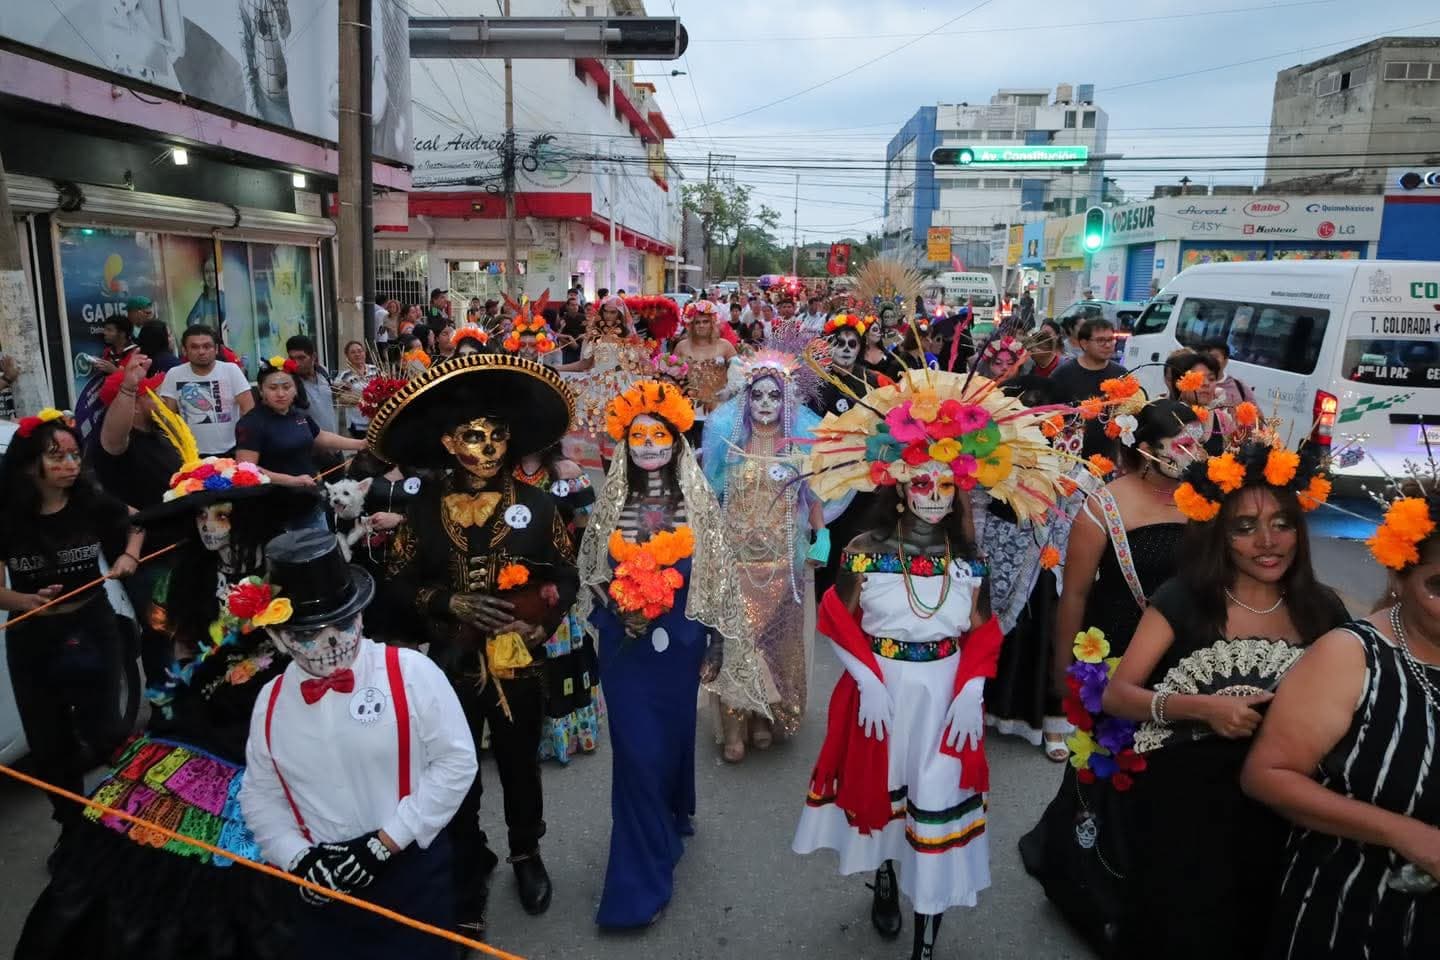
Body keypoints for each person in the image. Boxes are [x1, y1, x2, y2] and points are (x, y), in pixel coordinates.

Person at [794, 367, 1070, 960]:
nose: (935, 496)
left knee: (938, 800)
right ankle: (887, 876)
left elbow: (984, 634)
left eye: (946, 485)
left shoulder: (969, 561)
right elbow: (836, 620)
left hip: (947, 697)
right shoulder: (863, 552)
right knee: (890, 793)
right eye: (922, 484)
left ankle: (926, 934)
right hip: (883, 694)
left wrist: (972, 690)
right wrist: (866, 677)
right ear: (899, 487)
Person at [14, 493, 294, 960]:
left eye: (221, 516)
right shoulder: (191, 574)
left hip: (262, 725)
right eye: (201, 516)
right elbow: (184, 654)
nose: (208, 527)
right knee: (130, 830)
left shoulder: (283, 574)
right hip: (194, 719)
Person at [1101, 438, 1346, 960]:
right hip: (1186, 801)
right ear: (1219, 534)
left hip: (1283, 810)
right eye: (1245, 527)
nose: (1268, 541)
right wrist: (1205, 708)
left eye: (1282, 524)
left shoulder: (1323, 611)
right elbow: (1118, 695)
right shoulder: (1185, 600)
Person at [375, 353, 580, 932]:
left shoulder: (538, 505)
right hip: (448, 663)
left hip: (519, 664)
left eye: (496, 436)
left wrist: (543, 622)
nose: (487, 447)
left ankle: (526, 852)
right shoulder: (423, 510)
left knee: (520, 764)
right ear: (448, 442)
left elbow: (565, 577)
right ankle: (466, 860)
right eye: (473, 435)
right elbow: (396, 583)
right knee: (453, 767)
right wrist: (448, 603)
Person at [578, 379, 766, 927]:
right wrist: (618, 610)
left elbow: (721, 579)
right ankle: (638, 885)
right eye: (639, 436)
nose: (650, 445)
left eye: (660, 434)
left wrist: (717, 641)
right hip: (625, 649)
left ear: (678, 438)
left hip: (679, 646)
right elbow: (590, 573)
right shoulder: (612, 498)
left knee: (673, 738)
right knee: (636, 757)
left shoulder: (697, 500)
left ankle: (676, 810)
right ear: (626, 442)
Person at [241, 530, 478, 958]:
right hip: (321, 888)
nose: (332, 641)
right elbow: (260, 794)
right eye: (309, 632)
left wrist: (384, 843)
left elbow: (456, 762)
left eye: (342, 623)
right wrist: (297, 859)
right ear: (278, 637)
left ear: (361, 617)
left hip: (410, 875)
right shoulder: (269, 702)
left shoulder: (411, 673)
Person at [1018, 399, 1200, 950]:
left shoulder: (1202, 502)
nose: (1193, 453)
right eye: (1182, 443)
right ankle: (1089, 876)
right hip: (1113, 651)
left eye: (1197, 441)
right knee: (1105, 768)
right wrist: (1066, 670)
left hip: (1181, 658)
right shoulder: (1105, 505)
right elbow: (1074, 593)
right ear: (1147, 447)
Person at [1242, 481, 1440, 958]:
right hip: (1355, 913)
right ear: (1400, 576)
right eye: (1439, 586)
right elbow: (1267, 775)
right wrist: (1405, 833)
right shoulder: (1351, 656)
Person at [0, 410, 143, 830]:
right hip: (32, 633)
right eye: (56, 456)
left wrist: (128, 555)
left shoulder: (91, 502)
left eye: (74, 456)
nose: (69, 465)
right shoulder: (7, 517)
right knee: (48, 743)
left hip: (93, 623)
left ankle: (121, 820)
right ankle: (72, 828)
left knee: (107, 734)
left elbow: (136, 522)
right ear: (30, 464)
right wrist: (24, 599)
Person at [702, 352, 823, 761]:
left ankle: (764, 718)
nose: (766, 403)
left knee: (773, 645)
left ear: (787, 402)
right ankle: (735, 724)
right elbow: (711, 499)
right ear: (746, 401)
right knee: (737, 643)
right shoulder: (728, 445)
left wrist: (821, 539)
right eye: (758, 396)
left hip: (782, 566)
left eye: (775, 396)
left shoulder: (797, 448)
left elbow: (813, 498)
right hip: (736, 563)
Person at [511, 443, 602, 764]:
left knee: (557, 661)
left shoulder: (569, 472)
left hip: (557, 584)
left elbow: (590, 528)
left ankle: (558, 736)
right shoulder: (499, 469)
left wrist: (569, 570)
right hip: (510, 584)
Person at [234, 360, 364, 495]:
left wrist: (361, 444)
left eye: (286, 387)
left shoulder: (299, 415)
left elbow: (320, 436)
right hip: (271, 502)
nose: (281, 394)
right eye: (273, 388)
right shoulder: (251, 423)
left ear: (295, 389)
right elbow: (246, 468)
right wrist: (291, 480)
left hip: (309, 498)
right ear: (261, 390)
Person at [159, 324, 255, 457]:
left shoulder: (231, 370)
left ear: (216, 349)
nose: (201, 351)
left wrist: (245, 447)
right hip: (190, 453)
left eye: (207, 346)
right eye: (194, 347)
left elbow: (249, 412)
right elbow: (168, 417)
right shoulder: (174, 374)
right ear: (184, 350)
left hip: (230, 450)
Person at [1047, 317, 1126, 458]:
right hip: (1070, 456)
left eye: (1111, 339)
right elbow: (1048, 416)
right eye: (1101, 340)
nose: (1108, 345)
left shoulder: (1121, 375)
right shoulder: (1063, 374)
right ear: (1084, 343)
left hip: (1108, 458)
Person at [673, 299, 736, 446]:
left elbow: (739, 375)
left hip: (718, 412)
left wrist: (729, 391)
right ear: (691, 325)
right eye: (697, 322)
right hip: (687, 413)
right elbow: (672, 377)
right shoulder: (681, 347)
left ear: (713, 323)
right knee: (686, 455)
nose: (701, 325)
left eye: (705, 321)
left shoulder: (725, 346)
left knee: (712, 456)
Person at [1164, 348, 1232, 455]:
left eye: (1211, 379)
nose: (1206, 384)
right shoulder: (1163, 415)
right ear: (1180, 382)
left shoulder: (1223, 420)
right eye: (1199, 378)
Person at [285, 335, 338, 437]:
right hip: (309, 448)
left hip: (334, 444)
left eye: (301, 358)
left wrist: (338, 390)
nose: (296, 363)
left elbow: (327, 399)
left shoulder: (323, 372)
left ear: (313, 356)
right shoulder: (288, 382)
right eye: (292, 358)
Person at [335, 340, 379, 439]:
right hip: (358, 422)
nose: (357, 354)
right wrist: (365, 398)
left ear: (365, 352)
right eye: (353, 352)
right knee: (363, 450)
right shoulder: (344, 376)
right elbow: (341, 399)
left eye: (360, 351)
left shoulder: (375, 370)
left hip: (377, 420)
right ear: (347, 356)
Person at [1202, 338, 1255, 407]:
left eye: (1214, 357)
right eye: (1206, 356)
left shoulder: (1239, 386)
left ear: (1225, 361)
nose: (1209, 360)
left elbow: (1258, 415)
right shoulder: (1194, 386)